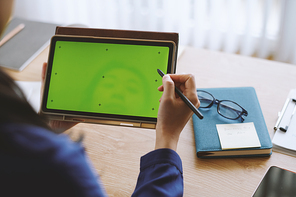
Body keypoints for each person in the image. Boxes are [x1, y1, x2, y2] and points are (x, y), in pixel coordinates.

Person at [0, 0, 200, 196]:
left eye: (131, 87)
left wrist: (46, 129)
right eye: (109, 83)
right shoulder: (58, 162)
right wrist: (168, 137)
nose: (117, 91)